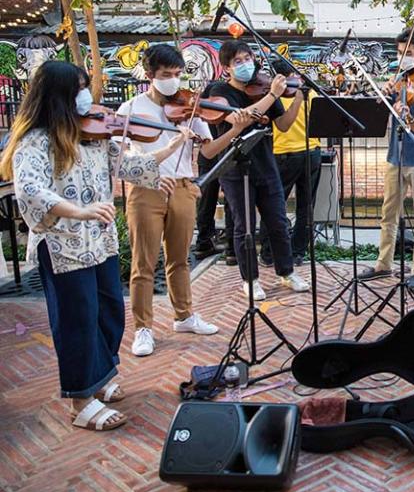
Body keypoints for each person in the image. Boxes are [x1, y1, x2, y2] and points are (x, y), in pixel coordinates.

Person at [0, 60, 193, 430]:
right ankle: (79, 400)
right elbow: (31, 191)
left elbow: (130, 164)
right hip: (63, 244)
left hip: (100, 240)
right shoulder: (35, 140)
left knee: (107, 310)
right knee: (77, 319)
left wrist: (171, 147)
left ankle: (99, 378)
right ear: (58, 96)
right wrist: (82, 211)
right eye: (79, 88)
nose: (87, 95)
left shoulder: (91, 135)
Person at [118, 45, 248, 357]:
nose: (174, 82)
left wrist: (237, 129)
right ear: (149, 76)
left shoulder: (189, 107)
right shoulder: (131, 109)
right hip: (145, 189)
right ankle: (143, 328)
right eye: (166, 76)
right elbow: (122, 157)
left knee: (179, 259)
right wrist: (149, 172)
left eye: (178, 75)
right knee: (144, 263)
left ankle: (184, 316)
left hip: (181, 186)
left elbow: (207, 150)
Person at [203, 40, 309, 300]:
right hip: (236, 168)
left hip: (266, 164)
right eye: (238, 61)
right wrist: (272, 94)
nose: (245, 65)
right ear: (226, 67)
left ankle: (286, 272)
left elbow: (282, 124)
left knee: (278, 221)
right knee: (244, 226)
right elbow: (239, 116)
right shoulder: (218, 92)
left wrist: (296, 99)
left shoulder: (261, 87)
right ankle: (250, 279)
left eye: (248, 58)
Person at [357, 28, 414, 291]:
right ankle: (384, 264)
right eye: (399, 52)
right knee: (388, 212)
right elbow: (381, 110)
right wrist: (386, 95)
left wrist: (409, 119)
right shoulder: (399, 79)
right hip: (395, 155)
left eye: (408, 53)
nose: (402, 57)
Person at [259, 79, 323, 267]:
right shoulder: (309, 93)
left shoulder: (273, 95)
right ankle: (297, 252)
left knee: (272, 205)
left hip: (283, 154)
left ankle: (269, 253)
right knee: (306, 206)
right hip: (311, 152)